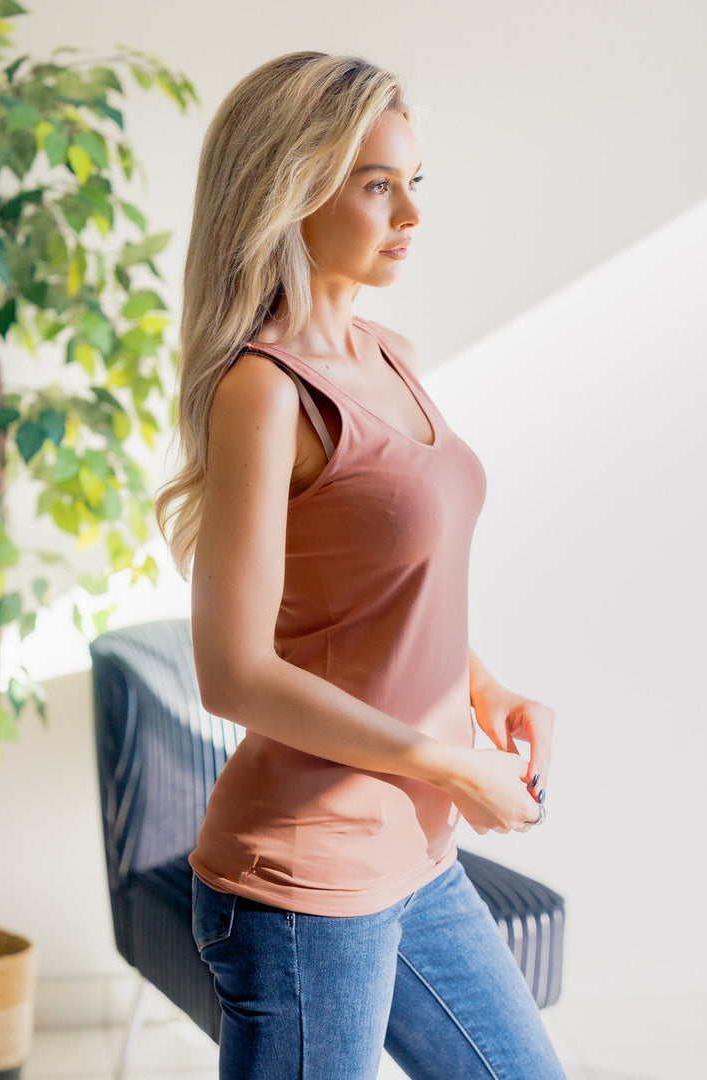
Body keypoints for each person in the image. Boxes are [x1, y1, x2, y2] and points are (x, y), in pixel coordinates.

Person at [156, 50, 566, 1080]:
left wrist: (488, 689)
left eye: (412, 181)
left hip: (417, 857)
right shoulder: (262, 391)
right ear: (290, 189)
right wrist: (447, 763)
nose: (410, 216)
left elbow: (392, 592)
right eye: (376, 184)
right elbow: (233, 673)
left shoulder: (389, 355)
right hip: (305, 880)